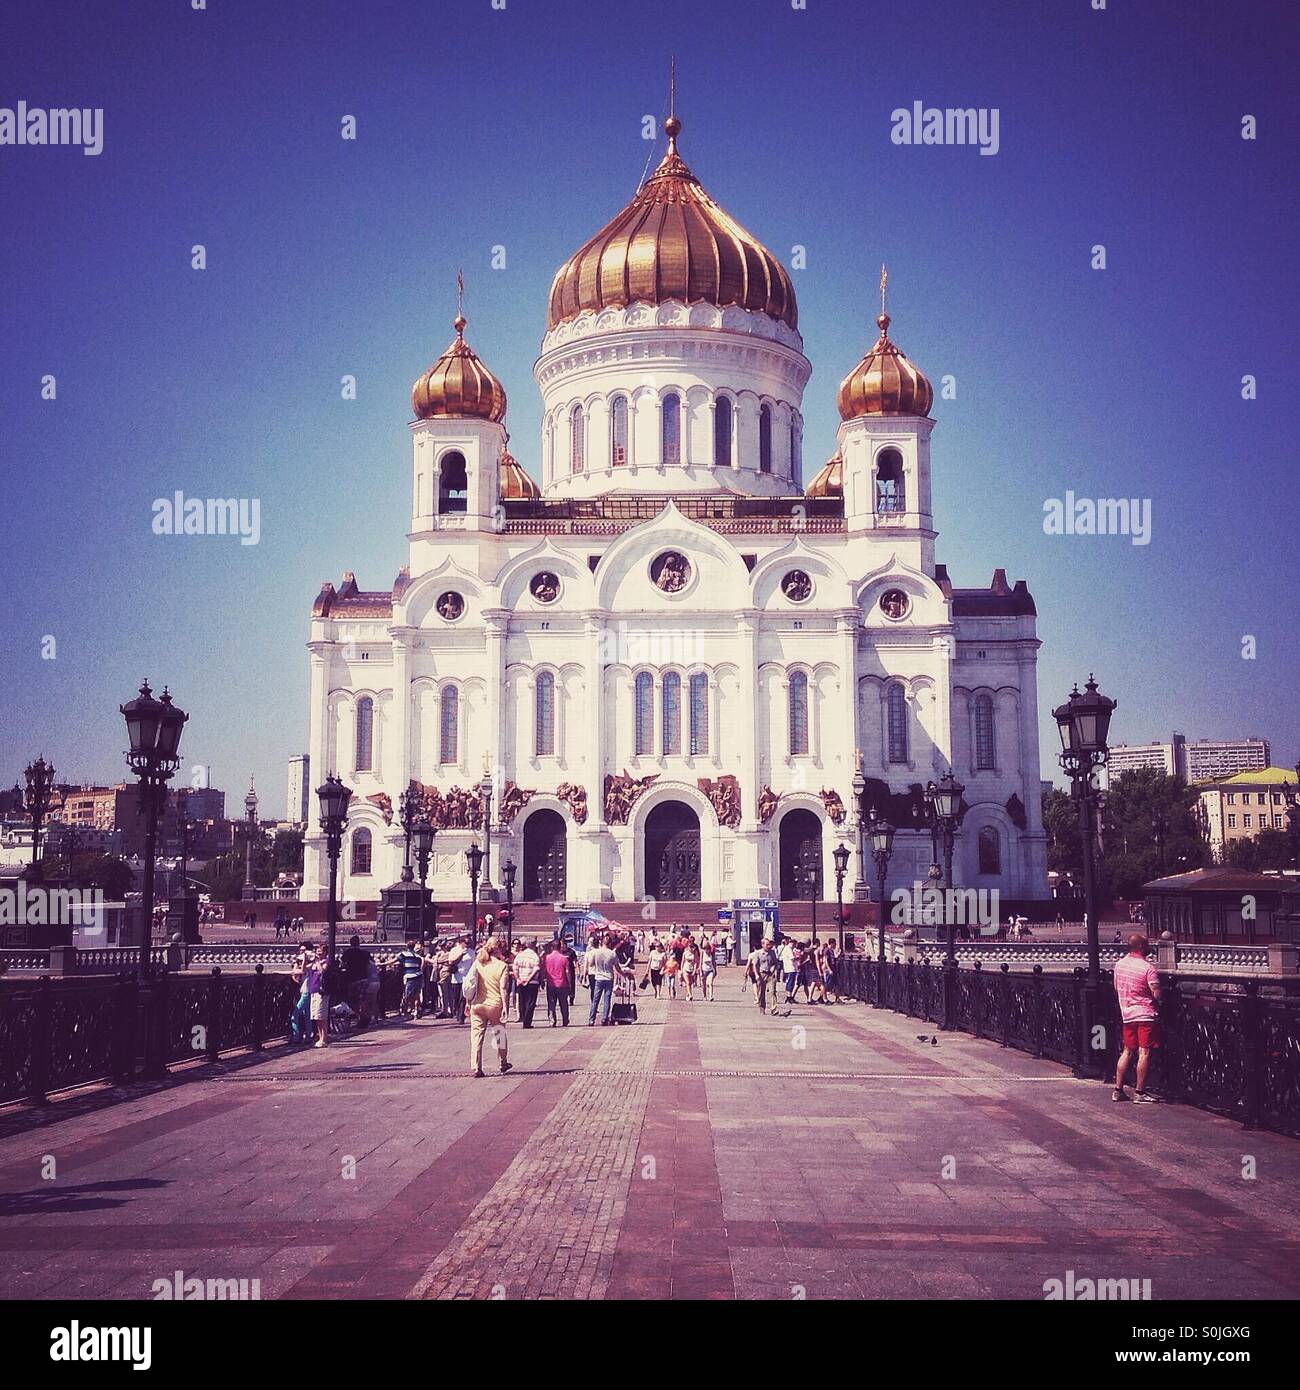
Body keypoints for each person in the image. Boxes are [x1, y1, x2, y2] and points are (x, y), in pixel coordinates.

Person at [1112, 934, 1163, 1104]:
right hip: (1145, 1014)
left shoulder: (1119, 965)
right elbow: (1156, 993)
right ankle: (1139, 1092)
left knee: (1127, 1051)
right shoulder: (1147, 968)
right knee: (1144, 1052)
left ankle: (1118, 1090)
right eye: (1147, 944)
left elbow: (1116, 987)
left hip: (1126, 1014)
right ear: (1141, 946)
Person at [467, 936, 513, 1078]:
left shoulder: (478, 963)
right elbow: (503, 988)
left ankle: (476, 1067)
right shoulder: (502, 966)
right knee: (499, 1034)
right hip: (495, 1005)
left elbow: (470, 983)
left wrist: (468, 1002)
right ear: (498, 949)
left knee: (476, 1036)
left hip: (477, 1005)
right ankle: (503, 1062)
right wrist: (506, 1006)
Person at [585, 931, 630, 1026]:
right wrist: (623, 974)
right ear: (610, 943)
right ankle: (604, 1019)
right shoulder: (612, 954)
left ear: (601, 942)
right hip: (609, 977)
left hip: (599, 977)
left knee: (595, 1000)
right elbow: (617, 967)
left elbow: (591, 964)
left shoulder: (596, 953)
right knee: (607, 999)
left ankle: (591, 1020)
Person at [340, 934, 371, 1025]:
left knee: (352, 1000)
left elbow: (342, 964)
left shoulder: (347, 952)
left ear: (350, 943)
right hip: (364, 978)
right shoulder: (364, 952)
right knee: (362, 999)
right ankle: (364, 1017)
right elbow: (369, 964)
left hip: (352, 979)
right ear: (359, 943)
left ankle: (360, 1016)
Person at [513, 938, 542, 1028]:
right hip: (532, 982)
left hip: (521, 981)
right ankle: (527, 1021)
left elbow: (515, 967)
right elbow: (536, 969)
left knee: (523, 1001)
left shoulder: (520, 955)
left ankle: (523, 1017)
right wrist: (529, 979)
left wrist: (518, 978)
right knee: (531, 1002)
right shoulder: (535, 956)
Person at [543, 939, 572, 1026]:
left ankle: (552, 1021)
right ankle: (565, 1020)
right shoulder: (564, 959)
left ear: (552, 947)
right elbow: (567, 972)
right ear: (560, 947)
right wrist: (570, 983)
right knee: (563, 1004)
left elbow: (543, 971)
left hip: (551, 984)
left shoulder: (547, 958)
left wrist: (542, 980)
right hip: (562, 984)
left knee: (551, 1004)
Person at [747, 937, 778, 1013]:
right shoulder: (758, 953)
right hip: (761, 974)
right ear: (762, 944)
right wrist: (757, 975)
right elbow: (755, 965)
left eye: (769, 944)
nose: (769, 946)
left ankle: (773, 1009)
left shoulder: (772, 953)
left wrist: (773, 968)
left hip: (770, 975)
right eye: (767, 944)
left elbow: (776, 963)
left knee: (772, 991)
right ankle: (762, 1007)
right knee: (761, 992)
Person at [397, 938, 424, 1018]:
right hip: (419, 976)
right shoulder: (418, 956)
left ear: (407, 946)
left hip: (410, 977)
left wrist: (383, 963)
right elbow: (420, 966)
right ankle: (415, 1011)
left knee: (407, 995)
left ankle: (405, 1012)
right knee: (416, 995)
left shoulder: (403, 954)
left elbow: (395, 960)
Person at [778, 936, 798, 1004]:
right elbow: (792, 958)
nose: (795, 946)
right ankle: (789, 998)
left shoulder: (786, 948)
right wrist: (798, 957)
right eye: (795, 944)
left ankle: (790, 997)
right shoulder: (788, 949)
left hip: (788, 968)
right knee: (790, 983)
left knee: (789, 983)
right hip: (791, 968)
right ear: (792, 943)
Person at [700, 935, 717, 1001]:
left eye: (708, 949)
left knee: (710, 983)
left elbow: (713, 962)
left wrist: (715, 970)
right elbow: (700, 962)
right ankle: (704, 995)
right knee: (704, 985)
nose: (707, 951)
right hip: (704, 970)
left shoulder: (711, 954)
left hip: (710, 970)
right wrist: (700, 971)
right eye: (706, 949)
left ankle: (711, 996)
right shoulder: (702, 953)